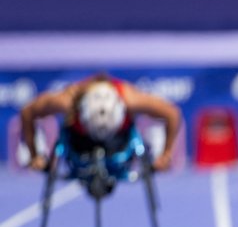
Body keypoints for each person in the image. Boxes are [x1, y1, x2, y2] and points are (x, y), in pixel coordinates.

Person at [20, 74, 182, 175]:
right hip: (80, 144)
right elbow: (27, 112)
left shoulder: (130, 98)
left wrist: (165, 155)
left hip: (118, 145)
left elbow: (172, 114)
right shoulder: (68, 100)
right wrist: (35, 156)